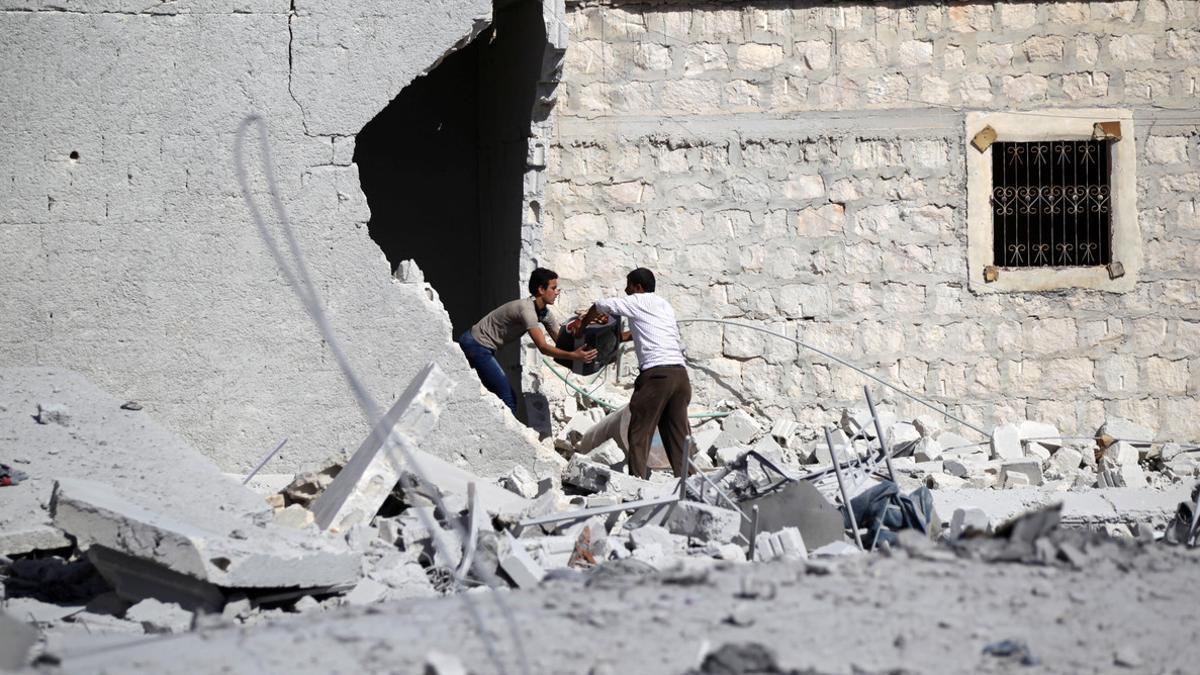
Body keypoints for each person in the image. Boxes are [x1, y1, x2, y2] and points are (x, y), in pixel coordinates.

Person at [576, 268, 691, 479]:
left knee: (639, 431)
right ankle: (691, 482)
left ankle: (638, 483)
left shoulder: (637, 300)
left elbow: (600, 305)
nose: (626, 290)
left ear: (638, 287)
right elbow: (642, 333)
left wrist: (583, 326)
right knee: (678, 434)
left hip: (657, 376)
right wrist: (618, 335)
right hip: (680, 376)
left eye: (628, 285)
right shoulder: (664, 305)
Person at [459, 268, 596, 414]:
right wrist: (574, 356)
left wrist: (584, 325)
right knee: (508, 399)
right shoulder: (527, 311)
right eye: (553, 288)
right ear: (541, 290)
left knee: (498, 396)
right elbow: (543, 347)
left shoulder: (544, 313)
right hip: (477, 344)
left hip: (483, 347)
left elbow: (560, 340)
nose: (557, 292)